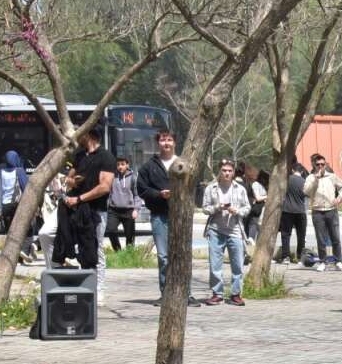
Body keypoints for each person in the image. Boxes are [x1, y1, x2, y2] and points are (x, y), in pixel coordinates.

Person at [135, 129, 196, 306]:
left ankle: (187, 294)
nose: (166, 143)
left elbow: (194, 186)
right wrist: (158, 194)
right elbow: (142, 189)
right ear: (158, 143)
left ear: (175, 143)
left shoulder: (184, 164)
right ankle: (166, 293)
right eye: (163, 140)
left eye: (169, 140)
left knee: (183, 255)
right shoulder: (149, 167)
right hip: (159, 216)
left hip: (181, 217)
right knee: (163, 256)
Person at [61, 127, 115, 303]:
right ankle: (60, 276)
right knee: (47, 235)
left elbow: (105, 187)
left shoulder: (106, 157)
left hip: (96, 211)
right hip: (75, 210)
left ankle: (98, 289)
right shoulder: (79, 156)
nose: (77, 136)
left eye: (81, 133)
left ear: (89, 135)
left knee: (95, 249)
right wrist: (71, 182)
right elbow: (68, 180)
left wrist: (80, 198)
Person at [200, 159, 250, 306]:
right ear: (220, 172)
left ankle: (235, 294)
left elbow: (247, 208)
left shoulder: (240, 189)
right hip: (216, 230)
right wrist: (217, 207)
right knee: (215, 264)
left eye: (229, 171)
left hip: (235, 230)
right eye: (224, 170)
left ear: (233, 172)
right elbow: (205, 208)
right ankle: (217, 294)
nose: (227, 173)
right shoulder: (211, 188)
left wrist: (237, 211)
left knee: (238, 265)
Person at [304, 154, 342, 272]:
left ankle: (338, 261)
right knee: (320, 238)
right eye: (317, 164)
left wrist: (339, 198)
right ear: (314, 165)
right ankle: (323, 261)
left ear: (325, 164)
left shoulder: (332, 177)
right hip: (317, 211)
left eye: (322, 164)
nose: (320, 167)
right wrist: (315, 180)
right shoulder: (310, 178)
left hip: (331, 210)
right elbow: (306, 191)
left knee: (335, 237)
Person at [276, 158, 309, 264]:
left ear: (293, 170)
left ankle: (286, 257)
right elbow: (307, 195)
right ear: (302, 171)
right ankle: (300, 257)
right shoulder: (305, 182)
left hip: (287, 211)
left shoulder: (286, 180)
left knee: (286, 234)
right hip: (300, 211)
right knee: (301, 235)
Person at [105, 156, 140, 251]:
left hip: (128, 210)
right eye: (118, 165)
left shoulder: (133, 178)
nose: (120, 167)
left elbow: (137, 195)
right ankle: (118, 251)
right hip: (114, 210)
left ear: (127, 165)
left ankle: (129, 255)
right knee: (110, 231)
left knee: (130, 236)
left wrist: (136, 209)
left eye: (122, 164)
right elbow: (108, 192)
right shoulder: (113, 177)